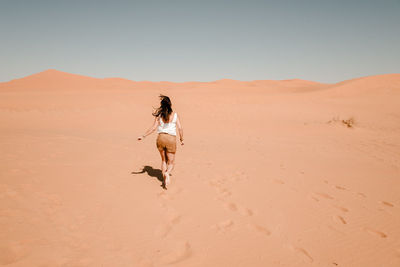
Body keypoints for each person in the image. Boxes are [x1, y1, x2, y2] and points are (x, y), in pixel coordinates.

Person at [138, 95, 184, 188]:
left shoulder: (159, 115)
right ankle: (167, 173)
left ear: (162, 105)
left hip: (160, 138)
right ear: (170, 104)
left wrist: (143, 136)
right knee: (171, 163)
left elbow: (153, 128)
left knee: (163, 160)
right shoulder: (175, 115)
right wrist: (181, 139)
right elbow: (180, 128)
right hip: (171, 139)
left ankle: (164, 182)